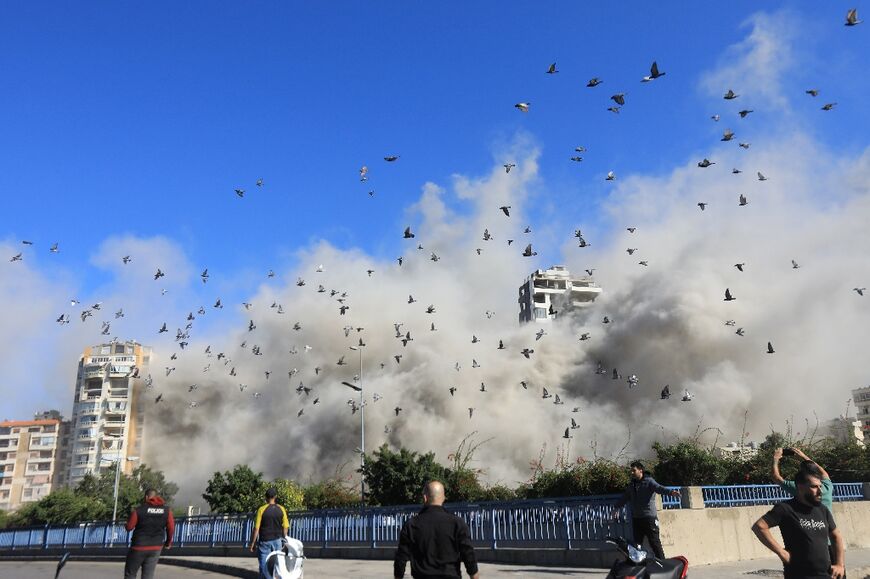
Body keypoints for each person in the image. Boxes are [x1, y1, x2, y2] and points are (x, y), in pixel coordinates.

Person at [752, 469, 845, 579]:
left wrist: (840, 564)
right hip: (798, 574)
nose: (820, 491)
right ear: (800, 487)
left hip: (825, 574)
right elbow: (759, 526)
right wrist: (781, 553)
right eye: (814, 487)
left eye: (820, 486)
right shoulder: (785, 508)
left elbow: (836, 536)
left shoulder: (822, 509)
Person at [394, 480, 479, 579]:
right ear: (443, 498)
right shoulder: (457, 523)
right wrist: (474, 575)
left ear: (425, 498)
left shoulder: (411, 525)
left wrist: (398, 576)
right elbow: (468, 554)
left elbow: (401, 558)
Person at [612, 461, 680, 559]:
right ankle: (638, 565)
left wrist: (671, 492)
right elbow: (625, 497)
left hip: (649, 518)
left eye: (634, 470)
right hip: (637, 518)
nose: (632, 473)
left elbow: (659, 488)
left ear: (641, 470)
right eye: (631, 471)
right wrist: (616, 507)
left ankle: (663, 564)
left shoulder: (649, 482)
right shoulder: (632, 485)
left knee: (654, 542)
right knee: (637, 545)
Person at [124, 488, 175, 579]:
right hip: (156, 548)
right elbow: (171, 528)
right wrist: (168, 543)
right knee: (148, 576)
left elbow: (129, 527)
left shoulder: (139, 510)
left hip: (138, 547)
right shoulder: (167, 511)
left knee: (130, 574)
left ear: (146, 497)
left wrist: (126, 524)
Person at [248, 487, 289, 579]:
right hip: (278, 541)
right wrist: (283, 539)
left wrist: (252, 543)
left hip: (264, 542)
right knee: (277, 567)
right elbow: (285, 526)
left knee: (264, 569)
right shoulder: (281, 509)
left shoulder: (261, 509)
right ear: (275, 497)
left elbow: (256, 529)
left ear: (266, 498)